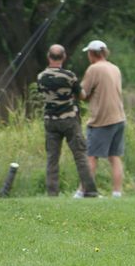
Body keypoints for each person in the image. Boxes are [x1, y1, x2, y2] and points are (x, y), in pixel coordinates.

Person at [37, 44, 99, 197]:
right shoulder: (69, 76)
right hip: (69, 120)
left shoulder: (41, 77)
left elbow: (42, 94)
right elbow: (82, 95)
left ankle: (52, 194)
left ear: (48, 56)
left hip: (50, 121)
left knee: (52, 158)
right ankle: (90, 191)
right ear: (64, 57)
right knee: (80, 156)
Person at [80, 40, 126, 197]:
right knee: (115, 157)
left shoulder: (94, 69)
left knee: (91, 156)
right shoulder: (115, 68)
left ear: (92, 53)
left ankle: (84, 191)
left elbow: (83, 93)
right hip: (119, 117)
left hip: (101, 120)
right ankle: (117, 193)